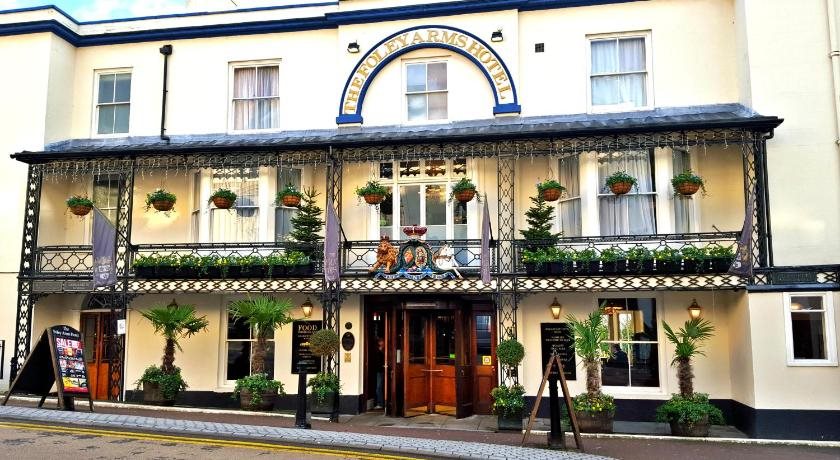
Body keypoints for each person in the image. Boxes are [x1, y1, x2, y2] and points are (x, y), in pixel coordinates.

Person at [373, 337, 385, 410]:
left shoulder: (384, 350)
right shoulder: (377, 351)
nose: (380, 343)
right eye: (380, 341)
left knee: (379, 388)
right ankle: (380, 403)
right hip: (378, 371)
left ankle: (380, 403)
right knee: (379, 388)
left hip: (381, 371)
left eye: (381, 341)